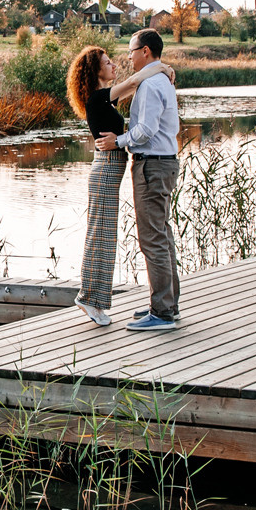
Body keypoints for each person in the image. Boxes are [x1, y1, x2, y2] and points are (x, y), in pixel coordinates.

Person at [101, 27, 180, 330]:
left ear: (145, 51)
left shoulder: (149, 85)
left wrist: (117, 141)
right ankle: (167, 306)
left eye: (132, 50)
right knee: (163, 235)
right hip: (164, 163)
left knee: (152, 239)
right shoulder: (160, 80)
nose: (129, 55)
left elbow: (145, 129)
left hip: (152, 167)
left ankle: (161, 313)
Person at [65, 45, 127, 326]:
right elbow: (135, 82)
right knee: (99, 236)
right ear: (96, 70)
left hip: (108, 171)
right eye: (108, 62)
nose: (114, 66)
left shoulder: (105, 100)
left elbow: (133, 88)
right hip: (105, 172)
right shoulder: (98, 97)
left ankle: (95, 300)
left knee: (105, 236)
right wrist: (161, 68)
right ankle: (88, 297)